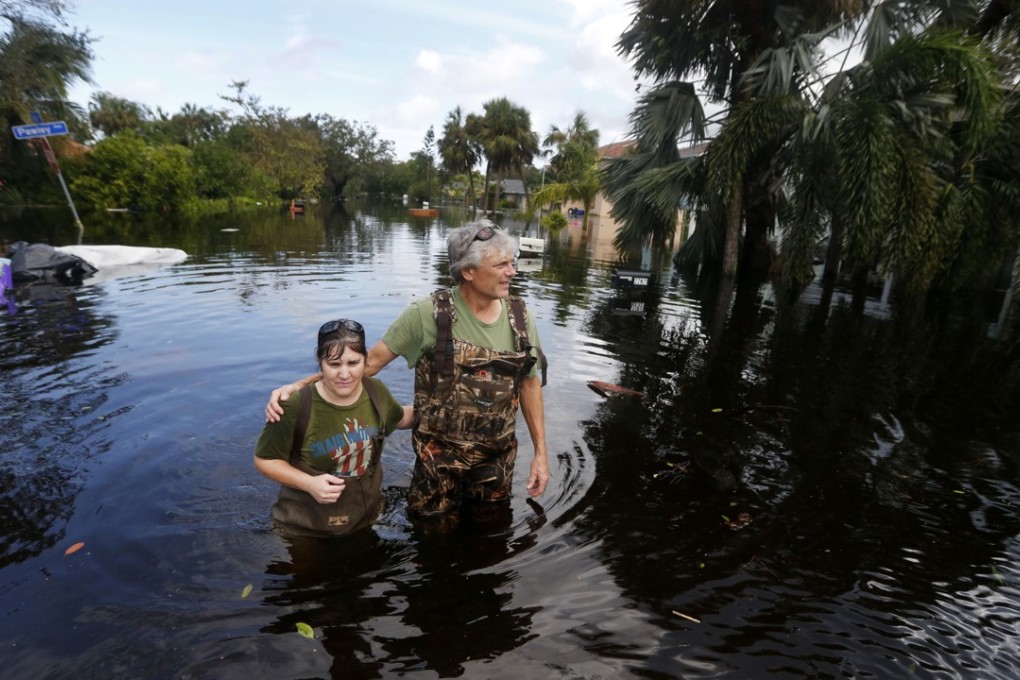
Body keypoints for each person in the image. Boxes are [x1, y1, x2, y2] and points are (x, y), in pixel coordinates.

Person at [266, 220, 549, 523]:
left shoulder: (521, 319)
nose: (512, 272)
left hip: (497, 463)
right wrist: (301, 386)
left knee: (490, 537)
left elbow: (530, 386)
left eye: (512, 262)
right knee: (430, 540)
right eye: (501, 265)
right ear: (468, 271)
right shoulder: (427, 314)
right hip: (436, 464)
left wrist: (540, 454)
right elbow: (369, 364)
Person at [254, 318, 413, 537]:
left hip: (366, 518)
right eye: (334, 364)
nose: (345, 374)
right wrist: (309, 483)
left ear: (365, 361)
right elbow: (265, 460)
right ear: (320, 363)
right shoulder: (294, 405)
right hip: (307, 529)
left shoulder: (376, 391)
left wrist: (444, 410)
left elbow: (400, 418)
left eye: (353, 363)